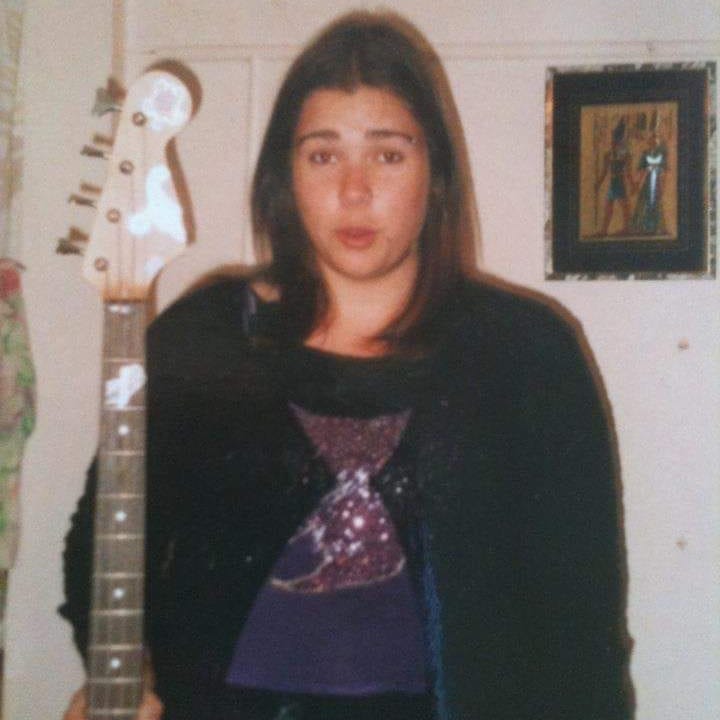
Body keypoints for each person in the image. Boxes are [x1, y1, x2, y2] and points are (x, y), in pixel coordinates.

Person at [61, 10, 633, 720]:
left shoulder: (527, 354)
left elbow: (582, 633)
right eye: (322, 155)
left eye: (388, 155)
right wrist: (122, 678)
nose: (354, 190)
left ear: (437, 174)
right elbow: (103, 543)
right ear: (284, 176)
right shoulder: (204, 339)